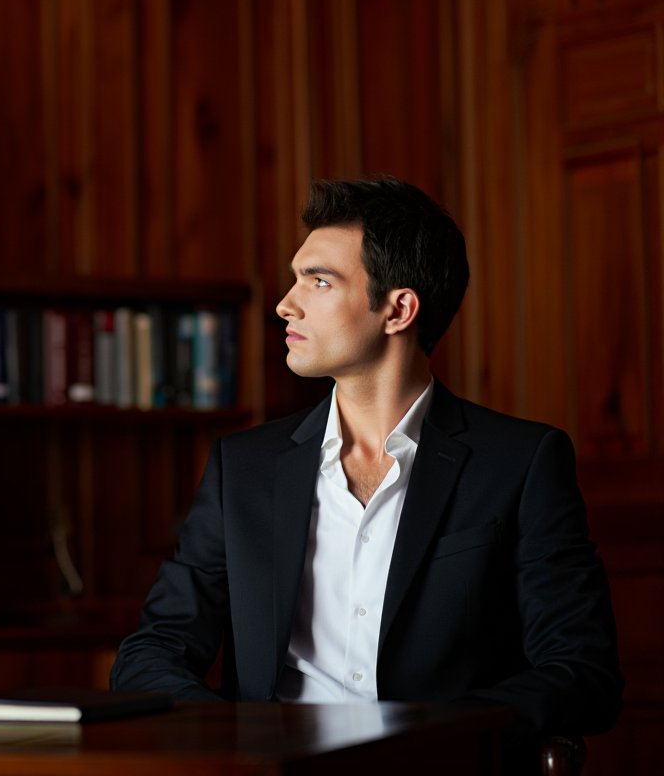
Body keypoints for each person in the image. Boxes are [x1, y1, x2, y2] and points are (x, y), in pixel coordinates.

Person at [111, 176, 622, 767]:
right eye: (296, 278)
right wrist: (236, 742)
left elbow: (582, 670)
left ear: (398, 310)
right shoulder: (242, 467)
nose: (286, 304)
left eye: (319, 281)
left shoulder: (520, 462)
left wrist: (434, 738)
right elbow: (153, 652)